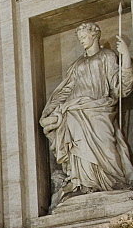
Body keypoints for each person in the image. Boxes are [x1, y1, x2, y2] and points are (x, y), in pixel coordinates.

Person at [40, 21, 133, 202]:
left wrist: (127, 57)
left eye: (84, 37)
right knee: (79, 148)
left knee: (107, 146)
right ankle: (83, 183)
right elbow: (65, 90)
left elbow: (121, 87)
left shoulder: (107, 56)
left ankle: (112, 181)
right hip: (75, 111)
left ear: (94, 35)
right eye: (79, 38)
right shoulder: (77, 65)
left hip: (100, 109)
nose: (82, 40)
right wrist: (49, 112)